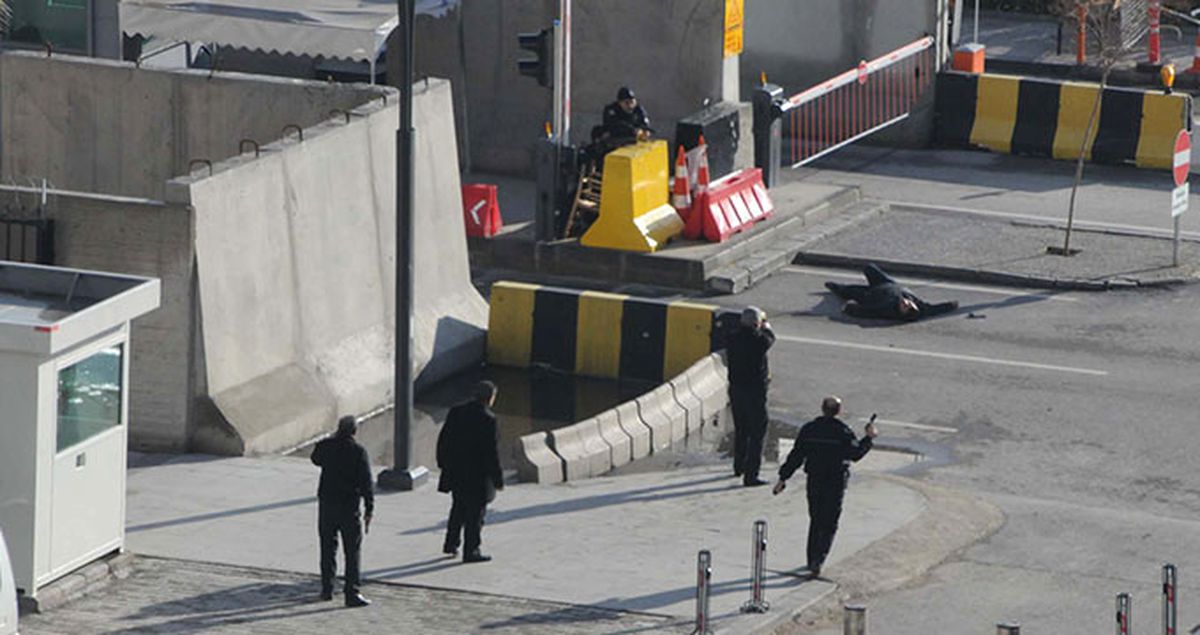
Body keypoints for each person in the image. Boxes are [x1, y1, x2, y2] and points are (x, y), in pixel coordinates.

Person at [772, 397, 876, 578]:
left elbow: (796, 456)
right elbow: (856, 453)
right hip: (835, 481)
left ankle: (811, 557)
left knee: (816, 518)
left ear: (822, 409)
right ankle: (818, 560)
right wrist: (868, 437)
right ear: (839, 411)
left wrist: (783, 478)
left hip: (815, 478)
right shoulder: (843, 431)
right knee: (829, 522)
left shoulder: (809, 429)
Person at [437, 380, 505, 563]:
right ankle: (471, 550)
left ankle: (451, 544)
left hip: (456, 472)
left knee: (458, 507)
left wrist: (443, 464)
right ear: (490, 398)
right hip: (477, 476)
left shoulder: (456, 411)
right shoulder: (488, 419)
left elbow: (444, 440)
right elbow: (492, 453)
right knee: (475, 514)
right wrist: (498, 479)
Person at [311, 415, 374, 607]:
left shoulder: (326, 446)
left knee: (327, 548)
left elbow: (315, 458)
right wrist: (369, 507)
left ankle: (326, 589)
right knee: (351, 551)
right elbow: (366, 482)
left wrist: (331, 438)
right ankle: (351, 593)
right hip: (349, 507)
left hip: (327, 505)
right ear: (354, 431)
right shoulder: (358, 451)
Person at [727, 306, 776, 487]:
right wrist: (766, 324)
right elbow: (770, 337)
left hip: (735, 389)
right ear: (757, 324)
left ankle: (738, 466)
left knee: (741, 429)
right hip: (754, 391)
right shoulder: (759, 340)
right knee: (757, 431)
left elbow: (739, 330)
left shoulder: (732, 338)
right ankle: (751, 475)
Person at [825, 263, 958, 321]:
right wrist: (952, 305)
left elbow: (868, 313)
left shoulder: (887, 309)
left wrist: (849, 308)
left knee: (845, 290)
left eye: (904, 306)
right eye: (909, 304)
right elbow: (935, 309)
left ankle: (834, 287)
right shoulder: (921, 308)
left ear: (901, 311)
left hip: (870, 294)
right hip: (886, 283)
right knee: (869, 267)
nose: (906, 302)